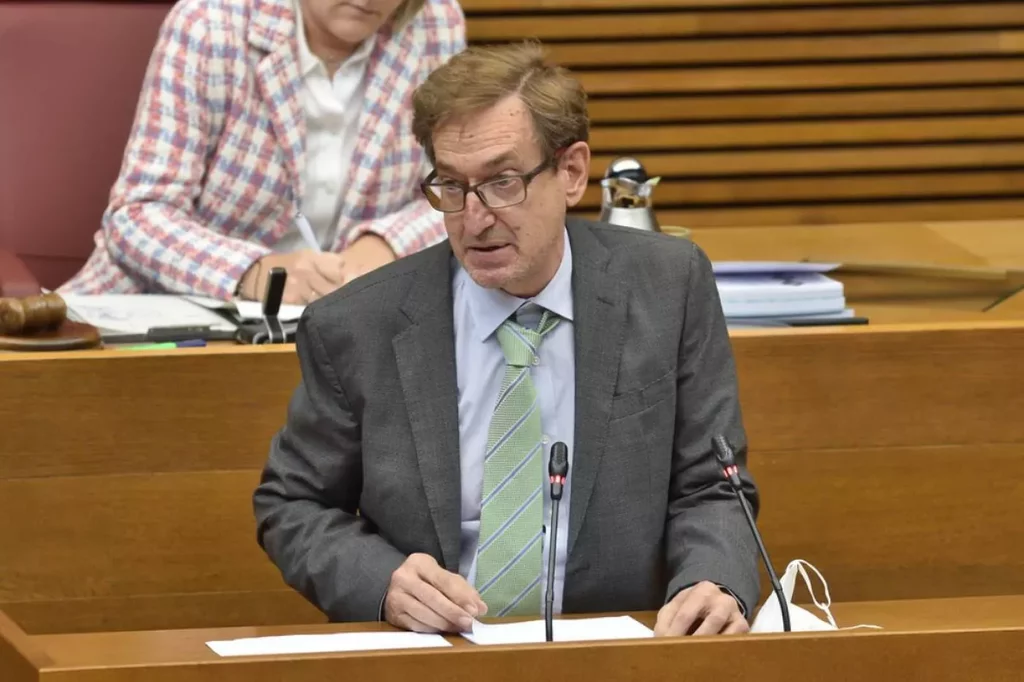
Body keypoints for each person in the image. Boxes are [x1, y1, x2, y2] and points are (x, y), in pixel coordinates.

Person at [253, 41, 760, 637]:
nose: (475, 218)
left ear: (571, 172)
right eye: (451, 186)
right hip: (437, 652)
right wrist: (382, 581)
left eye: (501, 183)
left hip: (623, 647)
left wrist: (714, 581)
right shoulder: (356, 325)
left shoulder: (668, 287)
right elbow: (293, 505)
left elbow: (714, 483)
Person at [59, 0, 465, 304]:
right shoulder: (210, 23)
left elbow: (457, 190)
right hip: (175, 314)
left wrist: (386, 244)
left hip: (354, 323)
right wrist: (256, 274)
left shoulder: (434, 24)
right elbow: (137, 215)